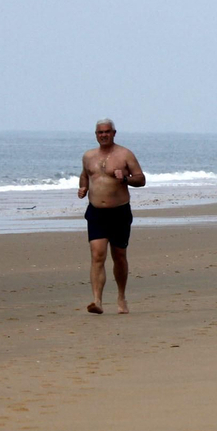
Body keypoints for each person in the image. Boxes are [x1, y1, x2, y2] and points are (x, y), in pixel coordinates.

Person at [78, 118, 145, 314]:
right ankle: (97, 301)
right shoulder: (88, 156)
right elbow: (85, 175)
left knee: (119, 256)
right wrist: (82, 188)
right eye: (100, 132)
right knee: (97, 254)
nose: (104, 135)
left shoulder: (125, 154)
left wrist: (124, 178)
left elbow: (141, 179)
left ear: (114, 133)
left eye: (107, 132)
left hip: (119, 212)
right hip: (96, 212)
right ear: (96, 135)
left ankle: (121, 297)